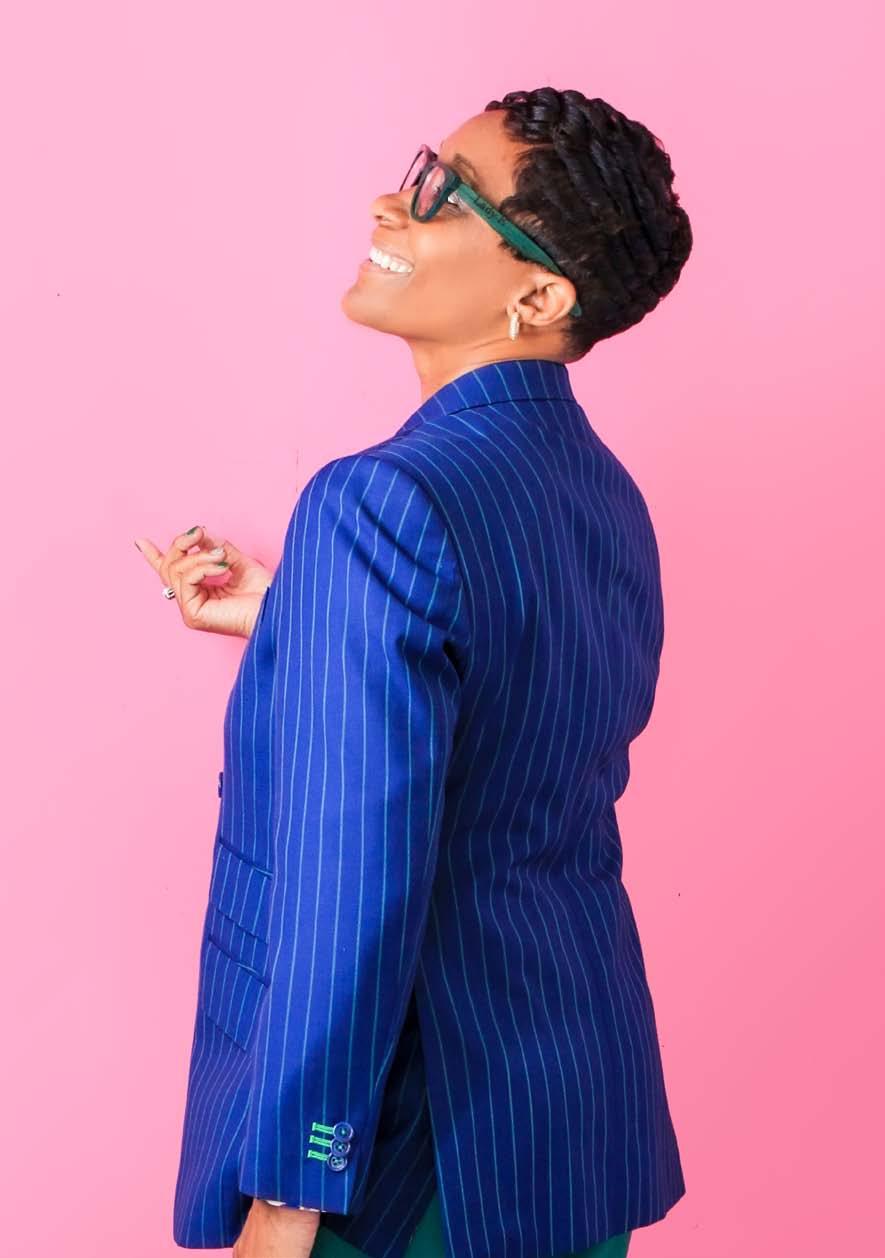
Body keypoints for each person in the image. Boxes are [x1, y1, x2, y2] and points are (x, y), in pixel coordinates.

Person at [135, 85, 692, 1258]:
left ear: (538, 297)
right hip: (570, 1130)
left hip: (409, 1168)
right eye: (418, 170)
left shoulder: (379, 500)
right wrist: (301, 615)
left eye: (447, 195)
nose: (394, 203)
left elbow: (354, 880)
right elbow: (514, 707)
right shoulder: (607, 497)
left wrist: (292, 1189)